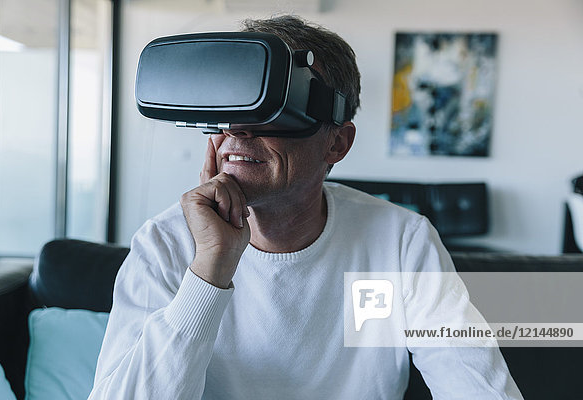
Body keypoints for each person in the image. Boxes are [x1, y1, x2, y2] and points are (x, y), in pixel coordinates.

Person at [89, 15, 523, 399]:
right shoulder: (164, 243)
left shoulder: (401, 241)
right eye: (231, 103)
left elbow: (476, 384)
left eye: (272, 107)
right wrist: (209, 272)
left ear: (337, 142)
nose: (239, 128)